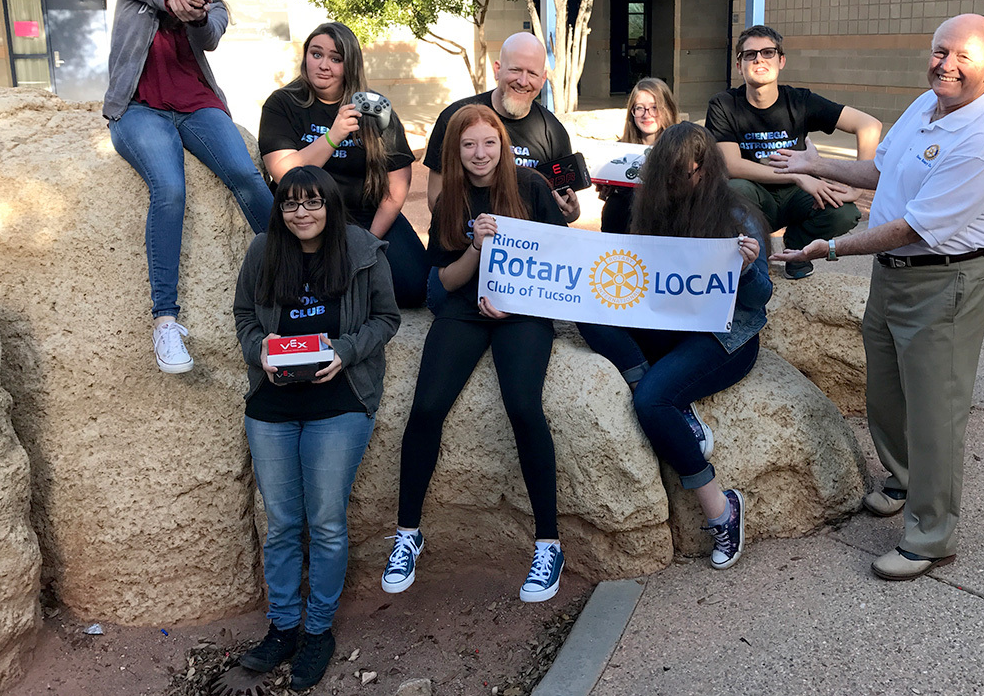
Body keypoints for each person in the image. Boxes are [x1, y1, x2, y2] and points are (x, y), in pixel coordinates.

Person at [769, 13, 984, 582]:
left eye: (962, 57)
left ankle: (932, 536)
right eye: (939, 50)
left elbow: (912, 228)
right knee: (887, 390)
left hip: (944, 282)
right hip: (893, 277)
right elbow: (879, 168)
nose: (945, 64)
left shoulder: (981, 141)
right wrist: (813, 161)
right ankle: (904, 479)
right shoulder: (926, 106)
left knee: (936, 412)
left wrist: (830, 248)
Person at [382, 104, 569, 603]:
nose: (480, 154)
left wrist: (519, 296)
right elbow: (439, 286)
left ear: (502, 144)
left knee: (524, 407)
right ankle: (407, 534)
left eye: (489, 142)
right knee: (424, 409)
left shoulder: (530, 187)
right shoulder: (450, 201)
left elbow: (563, 261)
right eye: (468, 146)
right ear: (455, 151)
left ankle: (549, 543)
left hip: (523, 313)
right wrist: (477, 251)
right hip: (465, 311)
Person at [233, 166, 400, 690]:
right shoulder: (263, 251)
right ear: (279, 210)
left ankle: (319, 630)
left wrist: (345, 351)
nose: (301, 213)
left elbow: (386, 319)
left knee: (325, 521)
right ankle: (283, 626)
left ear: (330, 205)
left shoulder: (362, 250)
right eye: (290, 204)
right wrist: (257, 349)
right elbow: (244, 316)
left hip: (340, 399)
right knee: (282, 522)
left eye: (312, 203)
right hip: (273, 403)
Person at [579, 122, 772, 571]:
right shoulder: (649, 205)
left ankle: (721, 509)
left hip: (726, 335)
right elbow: (620, 266)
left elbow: (760, 298)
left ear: (706, 171)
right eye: (668, 173)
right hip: (669, 321)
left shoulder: (736, 216)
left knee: (650, 402)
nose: (677, 182)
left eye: (685, 173)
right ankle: (671, 400)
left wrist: (745, 268)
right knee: (588, 311)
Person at [104, 0, 273, 374]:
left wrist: (198, 13)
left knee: (244, 173)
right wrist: (174, 0)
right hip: (141, 108)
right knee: (170, 189)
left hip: (197, 105)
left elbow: (213, 35)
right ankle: (165, 321)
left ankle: (300, 265)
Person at [259, 22, 427, 307]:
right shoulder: (283, 103)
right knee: (312, 295)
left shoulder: (374, 107)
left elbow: (397, 185)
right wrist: (334, 136)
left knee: (414, 288)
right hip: (309, 216)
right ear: (305, 57)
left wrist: (369, 243)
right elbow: (284, 174)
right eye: (316, 54)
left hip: (367, 214)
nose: (324, 65)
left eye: (336, 59)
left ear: (350, 65)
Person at [706, 24, 882, 280]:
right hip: (754, 192)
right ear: (739, 64)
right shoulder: (724, 105)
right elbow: (732, 166)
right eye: (750, 54)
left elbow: (868, 125)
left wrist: (857, 187)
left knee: (844, 212)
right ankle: (757, 262)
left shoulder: (800, 102)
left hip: (795, 196)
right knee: (734, 192)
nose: (759, 59)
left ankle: (797, 247)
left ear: (781, 60)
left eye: (768, 52)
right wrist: (797, 175)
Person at [424, 32, 579, 223]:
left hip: (526, 245)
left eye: (532, 73)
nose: (523, 81)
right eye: (515, 70)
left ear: (543, 78)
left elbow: (560, 206)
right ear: (497, 69)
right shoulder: (455, 119)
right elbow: (436, 198)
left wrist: (571, 212)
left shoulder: (553, 132)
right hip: (466, 239)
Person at [597, 77, 678, 234]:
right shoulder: (619, 151)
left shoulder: (681, 149)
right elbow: (606, 198)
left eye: (655, 107)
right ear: (632, 112)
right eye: (639, 108)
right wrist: (607, 186)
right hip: (622, 230)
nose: (647, 115)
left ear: (667, 109)